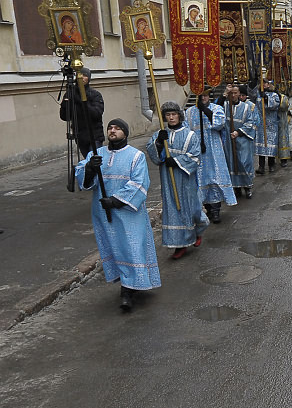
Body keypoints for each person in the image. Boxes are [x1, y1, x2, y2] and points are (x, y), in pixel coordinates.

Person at [75, 119, 160, 312]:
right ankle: (127, 283)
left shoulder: (136, 155)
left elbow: (140, 183)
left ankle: (127, 291)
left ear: (126, 133)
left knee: (132, 247)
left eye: (118, 128)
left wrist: (114, 200)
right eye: (110, 128)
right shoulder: (96, 154)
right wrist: (89, 169)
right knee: (114, 248)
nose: (112, 131)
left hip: (129, 213)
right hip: (103, 214)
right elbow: (85, 181)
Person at [146, 102, 209, 259]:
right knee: (173, 211)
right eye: (168, 115)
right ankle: (179, 245)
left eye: (173, 114)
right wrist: (159, 143)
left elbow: (195, 156)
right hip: (168, 179)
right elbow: (152, 151)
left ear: (179, 115)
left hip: (185, 179)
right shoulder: (161, 133)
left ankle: (197, 231)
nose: (171, 117)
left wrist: (177, 161)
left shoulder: (189, 135)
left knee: (191, 209)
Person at [184, 91, 237, 224]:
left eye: (206, 95)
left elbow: (219, 124)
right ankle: (206, 208)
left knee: (215, 177)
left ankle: (216, 210)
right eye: (201, 96)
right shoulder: (189, 112)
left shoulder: (216, 108)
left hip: (213, 150)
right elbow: (185, 130)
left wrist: (205, 110)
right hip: (197, 151)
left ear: (209, 96)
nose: (203, 98)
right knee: (200, 179)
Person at [60, 66, 105, 158]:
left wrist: (81, 100)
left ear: (89, 78)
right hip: (80, 136)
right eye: (80, 75)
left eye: (85, 75)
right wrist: (66, 101)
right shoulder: (71, 93)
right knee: (87, 161)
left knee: (94, 160)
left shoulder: (95, 94)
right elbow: (65, 116)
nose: (82, 78)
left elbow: (96, 113)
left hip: (94, 136)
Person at [220, 84, 256, 199]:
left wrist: (238, 132)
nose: (234, 95)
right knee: (231, 163)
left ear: (240, 94)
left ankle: (248, 187)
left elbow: (250, 122)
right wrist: (225, 93)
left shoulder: (245, 107)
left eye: (236, 93)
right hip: (230, 141)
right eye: (232, 93)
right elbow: (215, 108)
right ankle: (236, 188)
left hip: (243, 139)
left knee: (243, 162)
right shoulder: (225, 106)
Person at [252, 79, 280, 174]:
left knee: (270, 145)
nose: (263, 84)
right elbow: (256, 106)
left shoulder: (274, 94)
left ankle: (271, 165)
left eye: (265, 83)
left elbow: (275, 105)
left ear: (268, 84)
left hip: (271, 124)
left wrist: (267, 99)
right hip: (261, 123)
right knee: (261, 146)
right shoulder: (258, 95)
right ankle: (261, 166)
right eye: (262, 83)